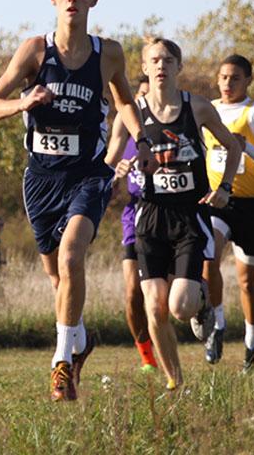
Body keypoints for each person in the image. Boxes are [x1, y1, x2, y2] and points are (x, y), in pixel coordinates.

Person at [0, 0, 155, 401]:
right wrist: (24, 102)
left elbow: (125, 103)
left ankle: (61, 363)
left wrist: (142, 140)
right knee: (57, 278)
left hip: (89, 174)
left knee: (72, 257)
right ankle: (80, 339)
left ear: (93, 0)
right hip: (41, 179)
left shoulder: (108, 53)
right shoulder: (36, 51)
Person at [108, 38, 240, 389]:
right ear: (145, 68)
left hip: (189, 216)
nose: (161, 66)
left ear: (179, 67)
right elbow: (108, 162)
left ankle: (202, 307)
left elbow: (232, 145)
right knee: (154, 307)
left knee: (179, 307)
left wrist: (224, 188)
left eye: (168, 60)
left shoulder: (196, 107)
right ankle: (175, 383)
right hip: (149, 217)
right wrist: (116, 173)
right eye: (155, 60)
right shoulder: (130, 113)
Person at [199, 54, 254, 371]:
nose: (227, 84)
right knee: (209, 260)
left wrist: (244, 146)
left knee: (248, 282)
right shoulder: (208, 110)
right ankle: (217, 325)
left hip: (250, 205)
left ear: (248, 80)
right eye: (223, 77)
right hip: (218, 200)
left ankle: (252, 344)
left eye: (235, 78)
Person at [104, 77, 158, 371]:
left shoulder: (171, 128)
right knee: (132, 293)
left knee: (166, 297)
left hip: (167, 217)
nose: (145, 104)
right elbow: (106, 188)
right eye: (140, 97)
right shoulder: (123, 132)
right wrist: (116, 177)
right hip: (133, 220)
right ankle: (147, 357)